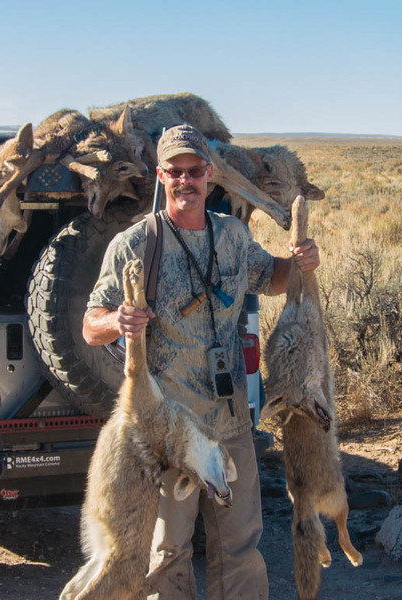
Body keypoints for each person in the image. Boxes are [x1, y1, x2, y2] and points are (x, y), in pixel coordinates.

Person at [83, 124, 320, 599]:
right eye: (175, 171)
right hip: (171, 431)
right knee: (169, 551)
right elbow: (90, 325)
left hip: (231, 424)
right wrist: (119, 321)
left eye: (194, 171)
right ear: (160, 175)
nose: (185, 180)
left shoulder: (231, 236)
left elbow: (270, 277)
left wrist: (300, 262)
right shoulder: (136, 244)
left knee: (242, 547)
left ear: (210, 175)